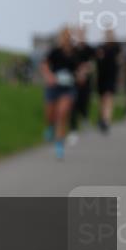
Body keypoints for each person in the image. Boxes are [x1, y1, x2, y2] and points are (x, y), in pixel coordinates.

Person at [41, 27, 81, 160]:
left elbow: (80, 69)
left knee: (62, 114)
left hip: (68, 88)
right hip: (53, 87)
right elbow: (44, 65)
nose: (66, 39)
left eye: (69, 37)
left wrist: (81, 75)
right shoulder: (55, 51)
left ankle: (59, 145)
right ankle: (50, 126)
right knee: (50, 114)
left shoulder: (76, 53)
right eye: (64, 36)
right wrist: (49, 76)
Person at [70, 26, 96, 138]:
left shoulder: (90, 49)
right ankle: (73, 129)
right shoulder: (73, 50)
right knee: (73, 104)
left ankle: (85, 119)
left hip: (86, 81)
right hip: (74, 81)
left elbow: (93, 64)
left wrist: (85, 71)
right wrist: (77, 73)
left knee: (84, 102)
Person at [94, 29, 121, 134]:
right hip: (102, 77)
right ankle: (102, 118)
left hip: (111, 77)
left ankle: (106, 120)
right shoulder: (100, 48)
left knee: (108, 98)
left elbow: (119, 61)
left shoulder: (116, 47)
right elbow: (97, 62)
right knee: (102, 100)